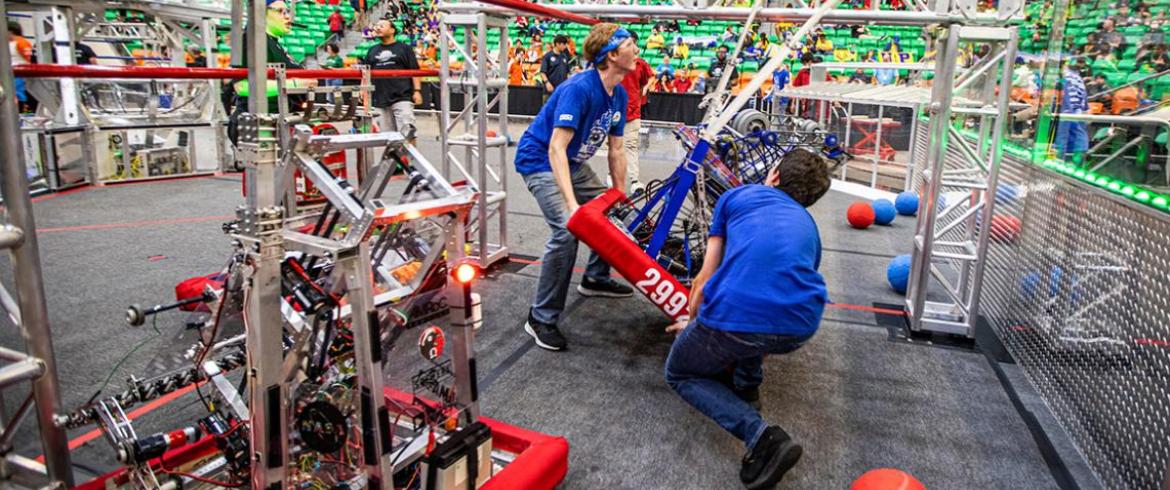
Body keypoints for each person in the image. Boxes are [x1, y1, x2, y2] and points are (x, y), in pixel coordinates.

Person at [664, 148, 830, 490]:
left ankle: (762, 437)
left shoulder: (735, 196)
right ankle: (747, 383)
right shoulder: (810, 226)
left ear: (774, 176)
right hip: (800, 325)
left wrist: (695, 325)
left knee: (679, 372)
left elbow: (704, 279)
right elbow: (779, 280)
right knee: (757, 317)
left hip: (737, 316)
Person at [517, 23, 639, 351]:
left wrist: (619, 193)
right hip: (540, 160)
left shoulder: (621, 92)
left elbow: (616, 149)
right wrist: (572, 205)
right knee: (567, 231)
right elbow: (555, 148)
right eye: (630, 43)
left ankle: (595, 277)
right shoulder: (579, 88)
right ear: (612, 55)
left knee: (614, 210)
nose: (637, 48)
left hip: (571, 163)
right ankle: (540, 318)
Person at [364, 20, 422, 143]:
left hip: (402, 96)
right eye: (377, 26)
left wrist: (417, 91)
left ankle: (409, 160)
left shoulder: (404, 48)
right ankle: (394, 161)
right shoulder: (372, 50)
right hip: (380, 99)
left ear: (392, 30)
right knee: (388, 137)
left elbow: (414, 70)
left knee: (408, 133)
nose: (378, 28)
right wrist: (363, 90)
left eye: (382, 26)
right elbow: (366, 72)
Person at [618, 30, 654, 196]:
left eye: (633, 42)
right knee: (615, 147)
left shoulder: (641, 64)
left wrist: (644, 90)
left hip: (632, 112)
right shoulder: (613, 62)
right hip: (614, 113)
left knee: (630, 145)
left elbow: (648, 80)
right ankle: (613, 178)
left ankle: (634, 180)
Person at [1054, 66, 1089, 163]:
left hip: (1068, 120)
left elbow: (1065, 111)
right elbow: (1085, 105)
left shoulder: (1063, 80)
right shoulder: (1077, 78)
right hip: (1078, 119)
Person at [9, 21, 34, 113]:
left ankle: (21, 112)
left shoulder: (21, 42)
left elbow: (27, 58)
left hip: (20, 73)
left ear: (10, 31)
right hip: (10, 73)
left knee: (18, 93)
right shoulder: (8, 43)